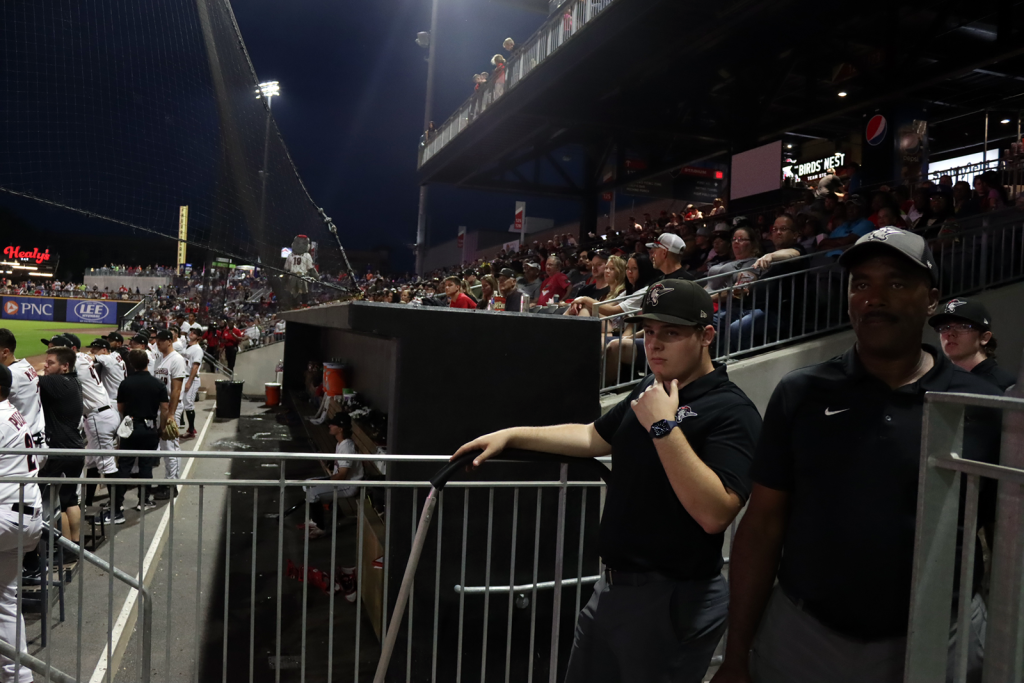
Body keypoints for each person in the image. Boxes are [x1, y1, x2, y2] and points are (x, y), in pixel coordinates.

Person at [713, 227, 1002, 683]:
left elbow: (1000, 536)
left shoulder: (980, 406)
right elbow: (762, 526)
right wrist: (735, 655)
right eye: (861, 283)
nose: (875, 296)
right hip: (804, 635)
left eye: (897, 282)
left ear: (932, 299)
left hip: (938, 638)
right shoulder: (800, 393)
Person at [454, 280, 762, 683]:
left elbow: (715, 512)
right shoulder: (652, 388)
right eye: (649, 332)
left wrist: (664, 426)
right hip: (613, 587)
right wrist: (512, 434)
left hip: (671, 596)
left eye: (671, 333)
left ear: (706, 336)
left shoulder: (731, 410)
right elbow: (592, 436)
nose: (654, 345)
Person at [0, 363, 43, 683]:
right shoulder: (11, 413)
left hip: (6, 517)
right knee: (6, 602)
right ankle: (19, 677)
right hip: (27, 518)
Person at [105, 350, 170, 524]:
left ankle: (117, 508)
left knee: (124, 467)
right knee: (146, 466)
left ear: (132, 364)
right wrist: (162, 428)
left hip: (130, 428)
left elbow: (120, 408)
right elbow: (164, 408)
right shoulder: (157, 384)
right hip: (149, 429)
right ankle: (144, 500)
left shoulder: (126, 383)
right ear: (148, 362)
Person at [37, 346, 85, 544]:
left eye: (51, 363)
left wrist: (41, 373)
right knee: (69, 499)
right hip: (75, 447)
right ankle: (75, 544)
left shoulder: (57, 382)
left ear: (65, 366)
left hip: (59, 451)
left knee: (54, 502)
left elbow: (28, 377)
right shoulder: (74, 381)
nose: (46, 367)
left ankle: (64, 548)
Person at [929, 297, 1015, 391]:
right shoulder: (938, 381)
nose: (950, 333)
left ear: (984, 337)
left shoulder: (1005, 386)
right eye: (945, 328)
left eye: (963, 327)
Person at [153, 330, 187, 498]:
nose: (157, 343)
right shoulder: (160, 358)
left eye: (160, 341)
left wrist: (171, 414)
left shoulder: (177, 360)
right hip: (161, 407)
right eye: (156, 341)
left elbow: (176, 389)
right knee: (166, 447)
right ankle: (167, 480)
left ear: (169, 341)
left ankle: (171, 484)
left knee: (171, 446)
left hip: (171, 407)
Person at [0, 330, 46, 450]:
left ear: (5, 352)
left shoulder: (12, 375)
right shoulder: (24, 365)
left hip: (24, 445)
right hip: (34, 437)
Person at [180, 328, 205, 438]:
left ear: (199, 337)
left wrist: (189, 382)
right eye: (191, 332)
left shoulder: (198, 349)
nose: (191, 334)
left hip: (192, 379)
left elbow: (195, 366)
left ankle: (191, 430)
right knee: (184, 403)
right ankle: (190, 428)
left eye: (194, 333)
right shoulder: (187, 346)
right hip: (183, 376)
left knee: (188, 404)